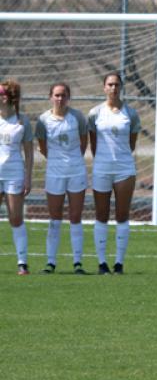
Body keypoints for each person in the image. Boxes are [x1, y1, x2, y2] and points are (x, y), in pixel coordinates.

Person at [88, 72, 141, 275]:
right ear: (104, 87)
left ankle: (119, 263)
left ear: (121, 87)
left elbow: (132, 143)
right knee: (101, 215)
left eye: (117, 84)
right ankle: (102, 263)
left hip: (124, 169)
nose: (113, 88)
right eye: (109, 84)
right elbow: (93, 144)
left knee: (122, 215)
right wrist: (103, 159)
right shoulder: (95, 113)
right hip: (101, 168)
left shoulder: (131, 113)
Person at [36, 83, 88, 274]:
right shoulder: (43, 120)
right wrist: (57, 160)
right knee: (54, 217)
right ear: (50, 97)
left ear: (68, 97)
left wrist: (72, 160)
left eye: (64, 95)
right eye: (57, 95)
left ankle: (77, 263)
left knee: (75, 217)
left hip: (76, 171)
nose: (60, 99)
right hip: (54, 173)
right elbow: (42, 147)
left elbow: (84, 143)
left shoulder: (78, 117)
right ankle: (50, 262)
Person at [0, 79, 34, 275]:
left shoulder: (22, 121)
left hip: (14, 174)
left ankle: (22, 262)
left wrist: (28, 178)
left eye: (2, 93)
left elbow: (29, 153)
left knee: (15, 218)